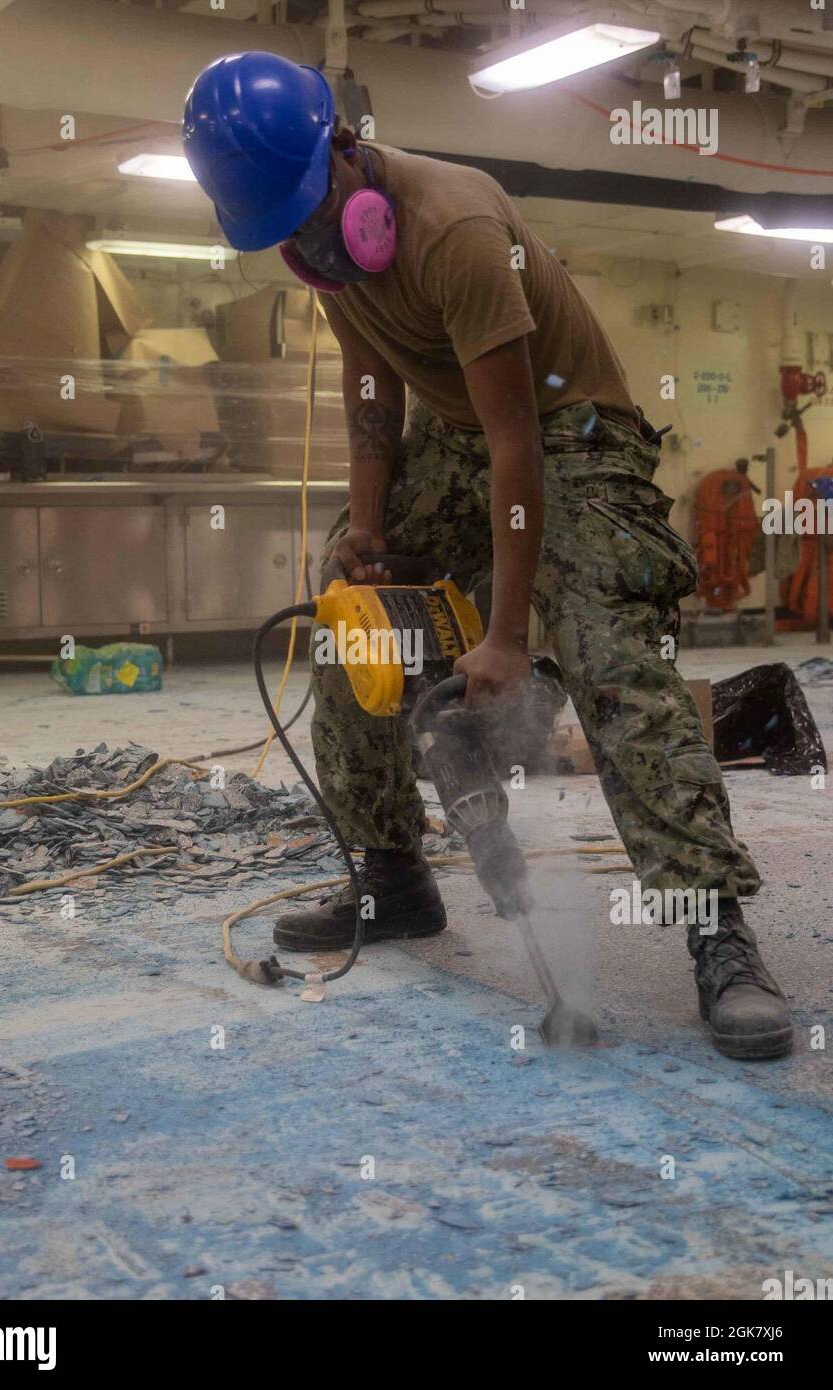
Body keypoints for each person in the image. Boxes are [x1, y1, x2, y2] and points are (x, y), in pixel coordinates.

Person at [185, 50, 793, 1060]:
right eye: (283, 232)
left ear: (346, 150)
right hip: (462, 437)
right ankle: (392, 879)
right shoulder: (331, 250)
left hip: (572, 434)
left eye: (307, 212)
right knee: (353, 620)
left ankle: (712, 926)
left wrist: (507, 637)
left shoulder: (453, 230)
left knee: (608, 653)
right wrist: (368, 528)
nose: (308, 247)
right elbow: (374, 386)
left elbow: (521, 446)